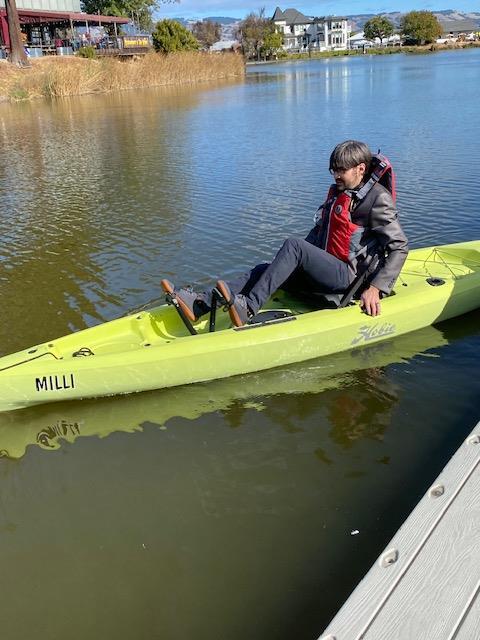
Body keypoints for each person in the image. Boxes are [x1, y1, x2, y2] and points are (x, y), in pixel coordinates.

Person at [161, 140, 409, 327]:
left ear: (360, 169)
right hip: (328, 270)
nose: (335, 176)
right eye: (333, 170)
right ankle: (201, 304)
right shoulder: (340, 194)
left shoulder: (378, 199)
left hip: (348, 279)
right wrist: (288, 266)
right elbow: (320, 236)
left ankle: (248, 308)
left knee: (294, 245)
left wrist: (377, 288)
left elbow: (399, 246)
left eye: (341, 170)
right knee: (263, 269)